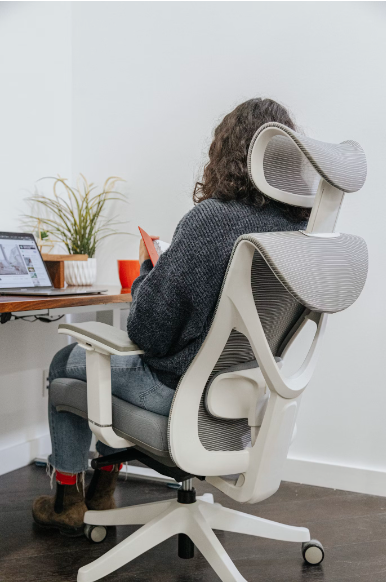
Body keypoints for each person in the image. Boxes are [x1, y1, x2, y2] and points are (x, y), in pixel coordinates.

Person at [32, 98, 310, 535]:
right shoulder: (300, 232)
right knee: (98, 370)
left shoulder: (212, 220)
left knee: (64, 364)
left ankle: (69, 499)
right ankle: (102, 489)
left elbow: (148, 332)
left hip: (177, 394)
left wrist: (149, 270)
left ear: (226, 153)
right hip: (243, 400)